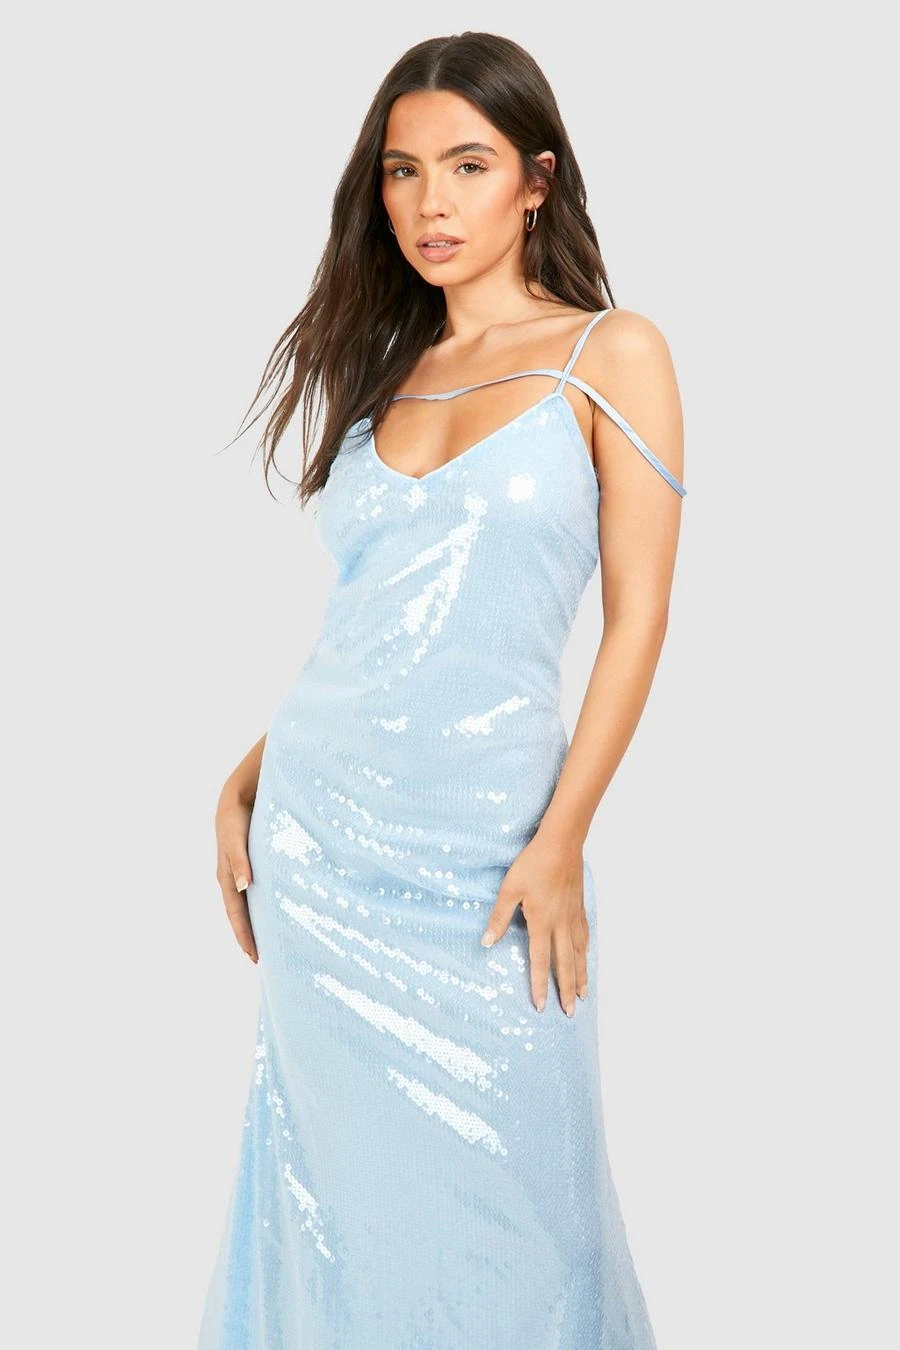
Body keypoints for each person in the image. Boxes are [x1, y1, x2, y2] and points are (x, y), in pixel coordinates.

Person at [198, 30, 685, 1350]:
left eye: (467, 165)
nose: (430, 202)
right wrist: (250, 771)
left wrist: (563, 837)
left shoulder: (611, 352)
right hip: (321, 849)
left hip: (494, 859)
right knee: (337, 1220)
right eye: (403, 171)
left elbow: (638, 618)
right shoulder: (384, 374)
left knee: (535, 1228)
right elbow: (382, 622)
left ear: (536, 179)